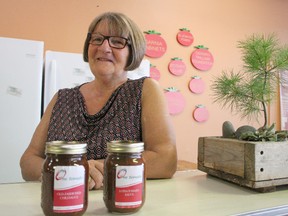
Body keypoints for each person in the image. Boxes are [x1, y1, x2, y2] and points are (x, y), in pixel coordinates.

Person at [20, 12, 177, 190]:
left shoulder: (145, 90)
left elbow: (166, 159)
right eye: (97, 39)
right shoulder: (61, 98)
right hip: (60, 202)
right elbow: (28, 160)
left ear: (133, 51)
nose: (104, 48)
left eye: (117, 41)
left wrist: (103, 168)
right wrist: (60, 171)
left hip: (117, 205)